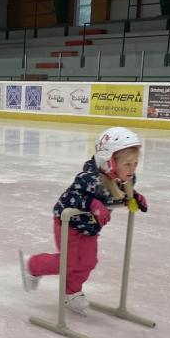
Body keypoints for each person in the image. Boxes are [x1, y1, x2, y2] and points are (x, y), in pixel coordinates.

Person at [19, 127, 148, 316]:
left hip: (90, 227)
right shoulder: (89, 179)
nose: (132, 169)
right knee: (68, 262)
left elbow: (119, 194)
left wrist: (133, 197)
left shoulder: (126, 178)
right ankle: (32, 265)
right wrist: (91, 203)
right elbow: (71, 197)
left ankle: (71, 293)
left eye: (135, 163)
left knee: (88, 262)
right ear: (109, 161)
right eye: (127, 164)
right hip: (68, 224)